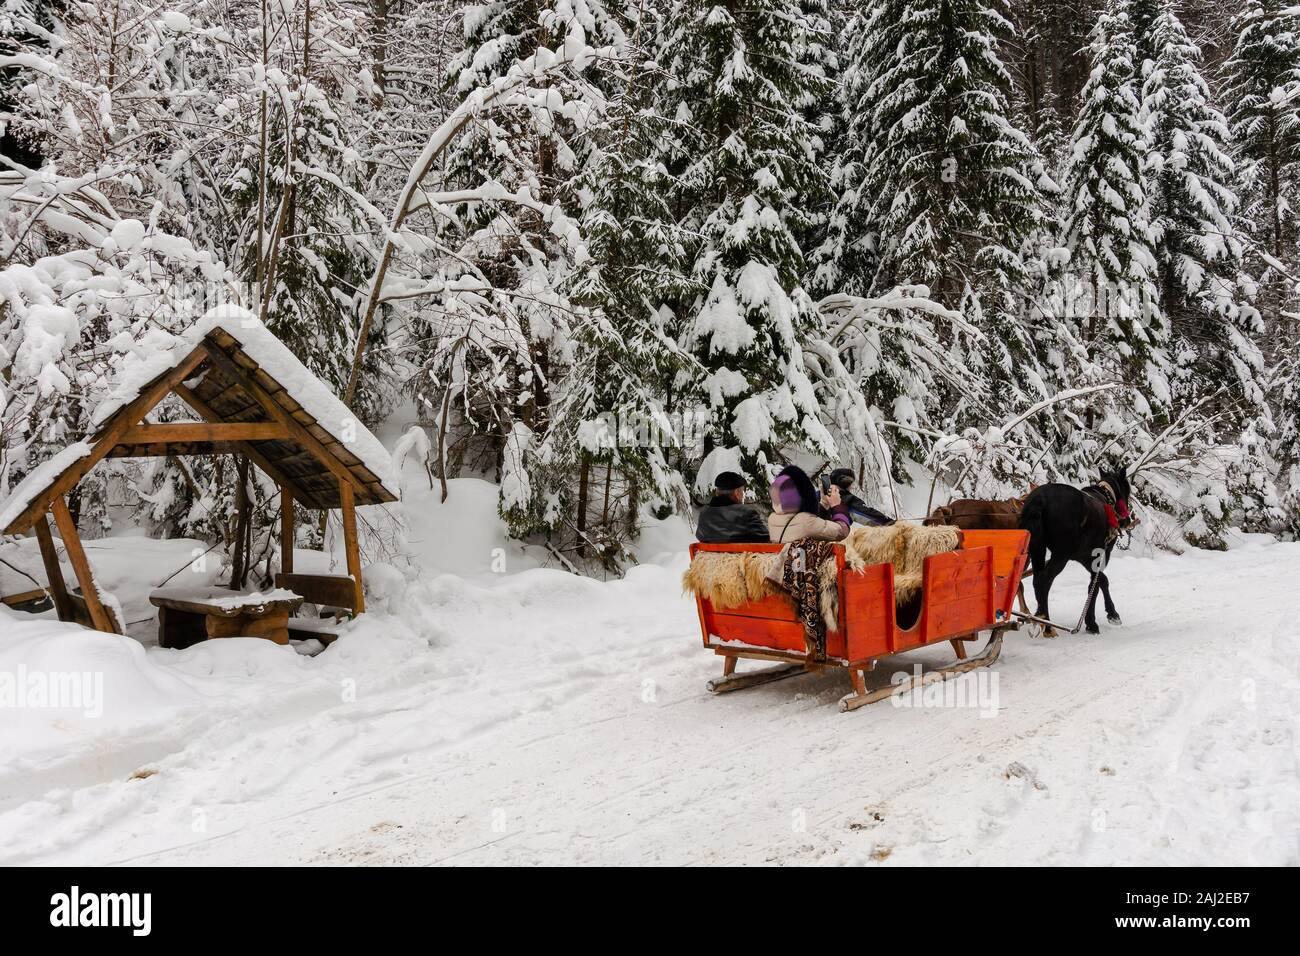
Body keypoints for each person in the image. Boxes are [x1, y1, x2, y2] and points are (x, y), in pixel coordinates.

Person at [767, 464, 850, 543]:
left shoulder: (772, 519)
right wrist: (837, 505)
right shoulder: (806, 523)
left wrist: (824, 504)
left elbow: (809, 522)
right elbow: (842, 532)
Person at [695, 472, 770, 544]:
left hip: (708, 557)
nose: (743, 495)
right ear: (737, 492)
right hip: (742, 557)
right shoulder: (746, 513)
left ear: (717, 492)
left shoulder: (704, 514)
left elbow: (700, 537)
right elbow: (765, 539)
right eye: (742, 491)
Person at [828, 468, 895, 526]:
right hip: (833, 535)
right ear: (844, 482)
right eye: (851, 483)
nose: (852, 487)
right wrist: (889, 522)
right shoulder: (847, 499)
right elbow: (867, 513)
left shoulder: (820, 494)